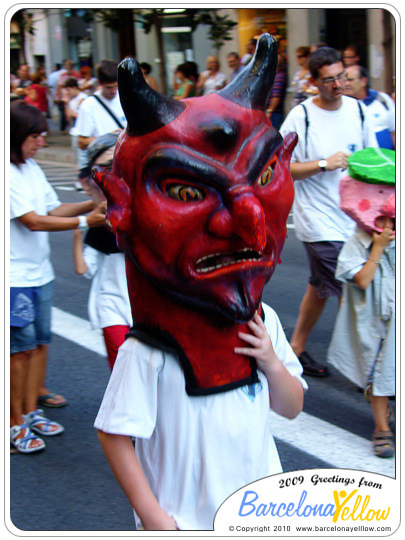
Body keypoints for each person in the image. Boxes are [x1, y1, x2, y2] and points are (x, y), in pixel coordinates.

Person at [93, 34, 306, 530]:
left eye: (265, 173)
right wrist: (151, 514)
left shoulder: (263, 323)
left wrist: (272, 362)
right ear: (122, 208)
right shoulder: (146, 352)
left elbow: (291, 407)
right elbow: (114, 433)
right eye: (186, 189)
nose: (249, 225)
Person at [10, 100, 107, 453]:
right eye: (35, 135)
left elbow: (53, 209)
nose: (41, 141)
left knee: (37, 346)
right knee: (17, 352)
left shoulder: (31, 168)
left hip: (39, 274)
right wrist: (87, 221)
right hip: (14, 279)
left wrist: (91, 205)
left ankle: (30, 412)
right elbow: (32, 220)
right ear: (17, 135)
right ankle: (12, 422)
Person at [279, 46, 378, 377]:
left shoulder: (359, 111)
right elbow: (280, 167)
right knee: (352, 289)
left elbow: (372, 159)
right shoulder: (301, 117)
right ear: (313, 82)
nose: (338, 85)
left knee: (320, 286)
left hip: (353, 218)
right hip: (317, 220)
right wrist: (323, 164)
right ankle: (370, 369)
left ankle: (296, 348)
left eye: (342, 77)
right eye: (329, 80)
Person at [327, 148, 395, 458]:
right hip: (372, 322)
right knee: (380, 373)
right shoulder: (358, 242)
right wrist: (378, 248)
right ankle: (381, 427)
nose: (389, 224)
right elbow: (363, 279)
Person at [73, 133, 132, 370]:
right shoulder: (99, 221)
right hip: (112, 309)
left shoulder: (146, 212)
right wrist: (79, 229)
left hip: (145, 311)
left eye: (118, 163)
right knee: (120, 372)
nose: (112, 171)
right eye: (105, 165)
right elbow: (83, 269)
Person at [75, 59, 127, 151]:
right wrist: (110, 139)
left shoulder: (128, 99)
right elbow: (81, 142)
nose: (113, 90)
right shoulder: (88, 105)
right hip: (105, 161)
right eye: (109, 87)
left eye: (116, 86)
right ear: (99, 83)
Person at [344, 64, 395, 149]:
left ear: (363, 81)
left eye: (350, 80)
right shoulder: (344, 105)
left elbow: (394, 130)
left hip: (386, 156)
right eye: (344, 80)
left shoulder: (382, 99)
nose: (346, 84)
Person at [62, 77, 88, 169]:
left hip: (82, 132)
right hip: (74, 131)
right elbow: (68, 118)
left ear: (74, 87)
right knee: (79, 158)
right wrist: (66, 103)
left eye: (68, 90)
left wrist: (74, 113)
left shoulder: (83, 98)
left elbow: (83, 116)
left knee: (83, 158)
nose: (68, 93)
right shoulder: (72, 100)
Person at [266, 54, 288, 130]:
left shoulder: (279, 76)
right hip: (273, 113)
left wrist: (269, 111)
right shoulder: (275, 75)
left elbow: (276, 96)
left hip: (274, 113)